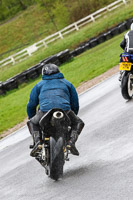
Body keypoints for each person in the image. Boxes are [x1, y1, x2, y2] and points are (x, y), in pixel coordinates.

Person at [27, 63, 84, 157]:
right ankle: (71, 142)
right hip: (65, 110)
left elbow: (31, 105)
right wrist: (72, 117)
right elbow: (75, 103)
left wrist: (32, 117)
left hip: (44, 111)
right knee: (79, 123)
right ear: (58, 71)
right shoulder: (67, 83)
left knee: (32, 122)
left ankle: (38, 142)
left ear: (43, 74)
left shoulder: (38, 85)